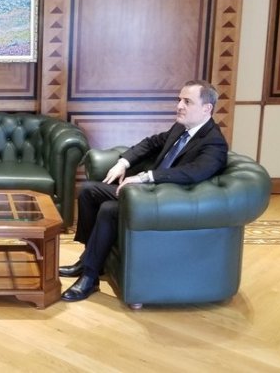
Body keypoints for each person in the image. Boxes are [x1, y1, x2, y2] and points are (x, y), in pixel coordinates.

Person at [60, 80, 228, 302]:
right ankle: (88, 259)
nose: (179, 106)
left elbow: (193, 173)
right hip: (144, 194)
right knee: (88, 191)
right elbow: (151, 143)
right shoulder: (181, 128)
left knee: (109, 209)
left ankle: (90, 277)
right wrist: (123, 163)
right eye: (179, 100)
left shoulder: (214, 143)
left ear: (207, 108)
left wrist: (145, 177)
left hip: (164, 200)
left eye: (187, 102)